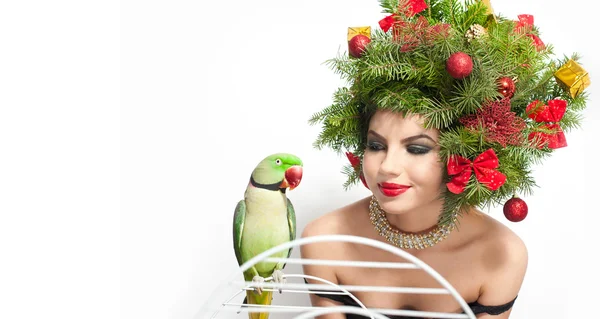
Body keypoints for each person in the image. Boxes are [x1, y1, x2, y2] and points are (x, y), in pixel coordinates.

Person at [300, 0, 591, 318]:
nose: (387, 167)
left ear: (467, 154)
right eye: (376, 145)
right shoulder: (325, 240)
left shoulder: (501, 254)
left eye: (417, 148)